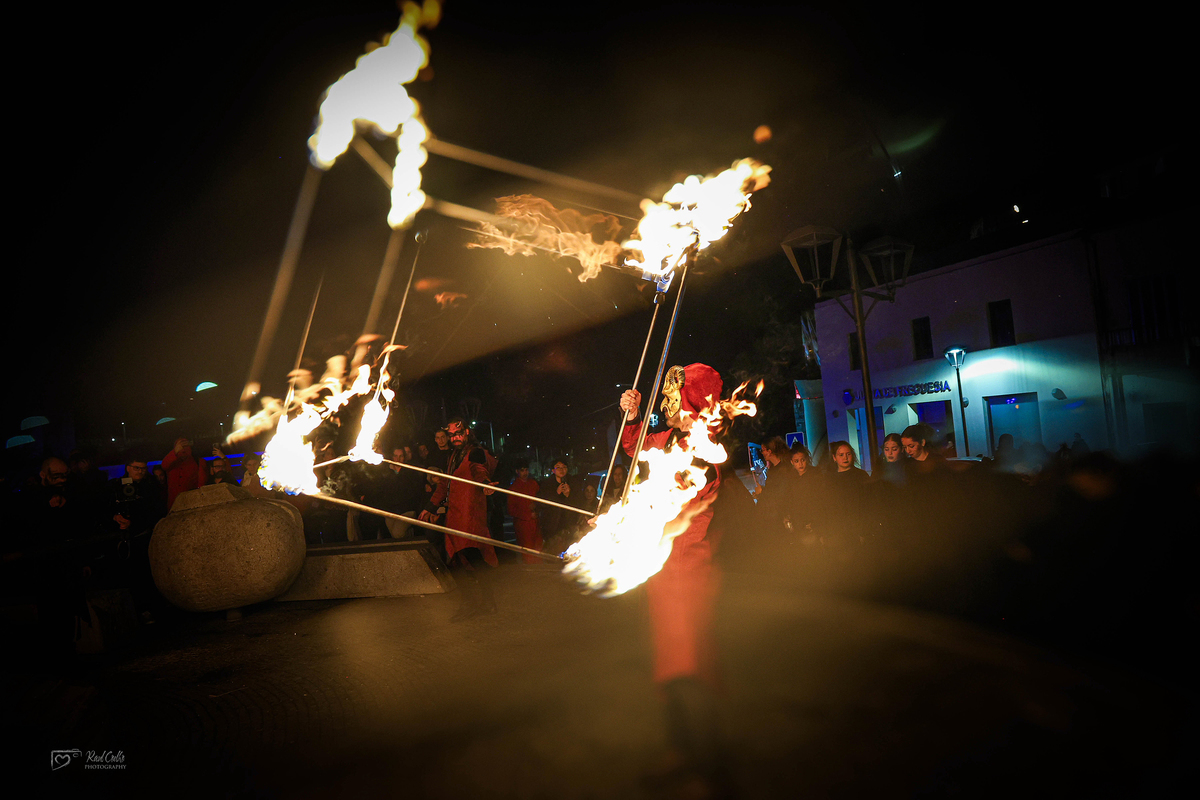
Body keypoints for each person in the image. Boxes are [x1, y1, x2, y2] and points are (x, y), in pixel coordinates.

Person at [618, 363, 729, 793]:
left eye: (678, 401)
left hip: (688, 571)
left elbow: (668, 500)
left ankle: (708, 768)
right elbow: (635, 447)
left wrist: (628, 521)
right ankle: (680, 752)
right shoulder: (668, 439)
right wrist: (632, 415)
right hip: (663, 570)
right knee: (669, 666)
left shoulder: (703, 452)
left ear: (698, 405)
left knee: (689, 667)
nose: (670, 408)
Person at [419, 418, 497, 619]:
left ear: (467, 433)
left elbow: (479, 470)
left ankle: (485, 602)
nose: (455, 438)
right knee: (457, 561)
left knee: (473, 559)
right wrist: (430, 507)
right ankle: (473, 602)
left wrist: (485, 483)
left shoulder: (475, 452)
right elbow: (446, 483)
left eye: (458, 434)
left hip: (470, 516)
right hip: (455, 517)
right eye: (452, 435)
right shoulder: (453, 456)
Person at [538, 458, 579, 554]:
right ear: (553, 470)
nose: (561, 470)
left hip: (569, 523)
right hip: (553, 524)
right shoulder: (547, 484)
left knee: (569, 551)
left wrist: (568, 495)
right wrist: (556, 493)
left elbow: (578, 501)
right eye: (558, 467)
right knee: (553, 550)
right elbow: (542, 503)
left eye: (564, 467)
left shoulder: (573, 482)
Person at [507, 458, 543, 564]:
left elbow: (540, 499)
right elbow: (511, 509)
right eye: (522, 470)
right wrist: (527, 515)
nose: (525, 473)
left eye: (526, 470)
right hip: (522, 524)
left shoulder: (533, 484)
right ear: (517, 471)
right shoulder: (514, 487)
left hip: (535, 522)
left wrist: (536, 508)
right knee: (527, 551)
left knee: (538, 548)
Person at [161, 438, 208, 510]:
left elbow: (201, 483)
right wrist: (175, 451)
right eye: (180, 446)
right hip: (174, 503)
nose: (183, 448)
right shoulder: (171, 461)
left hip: (191, 502)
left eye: (185, 445)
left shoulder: (198, 462)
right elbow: (164, 465)